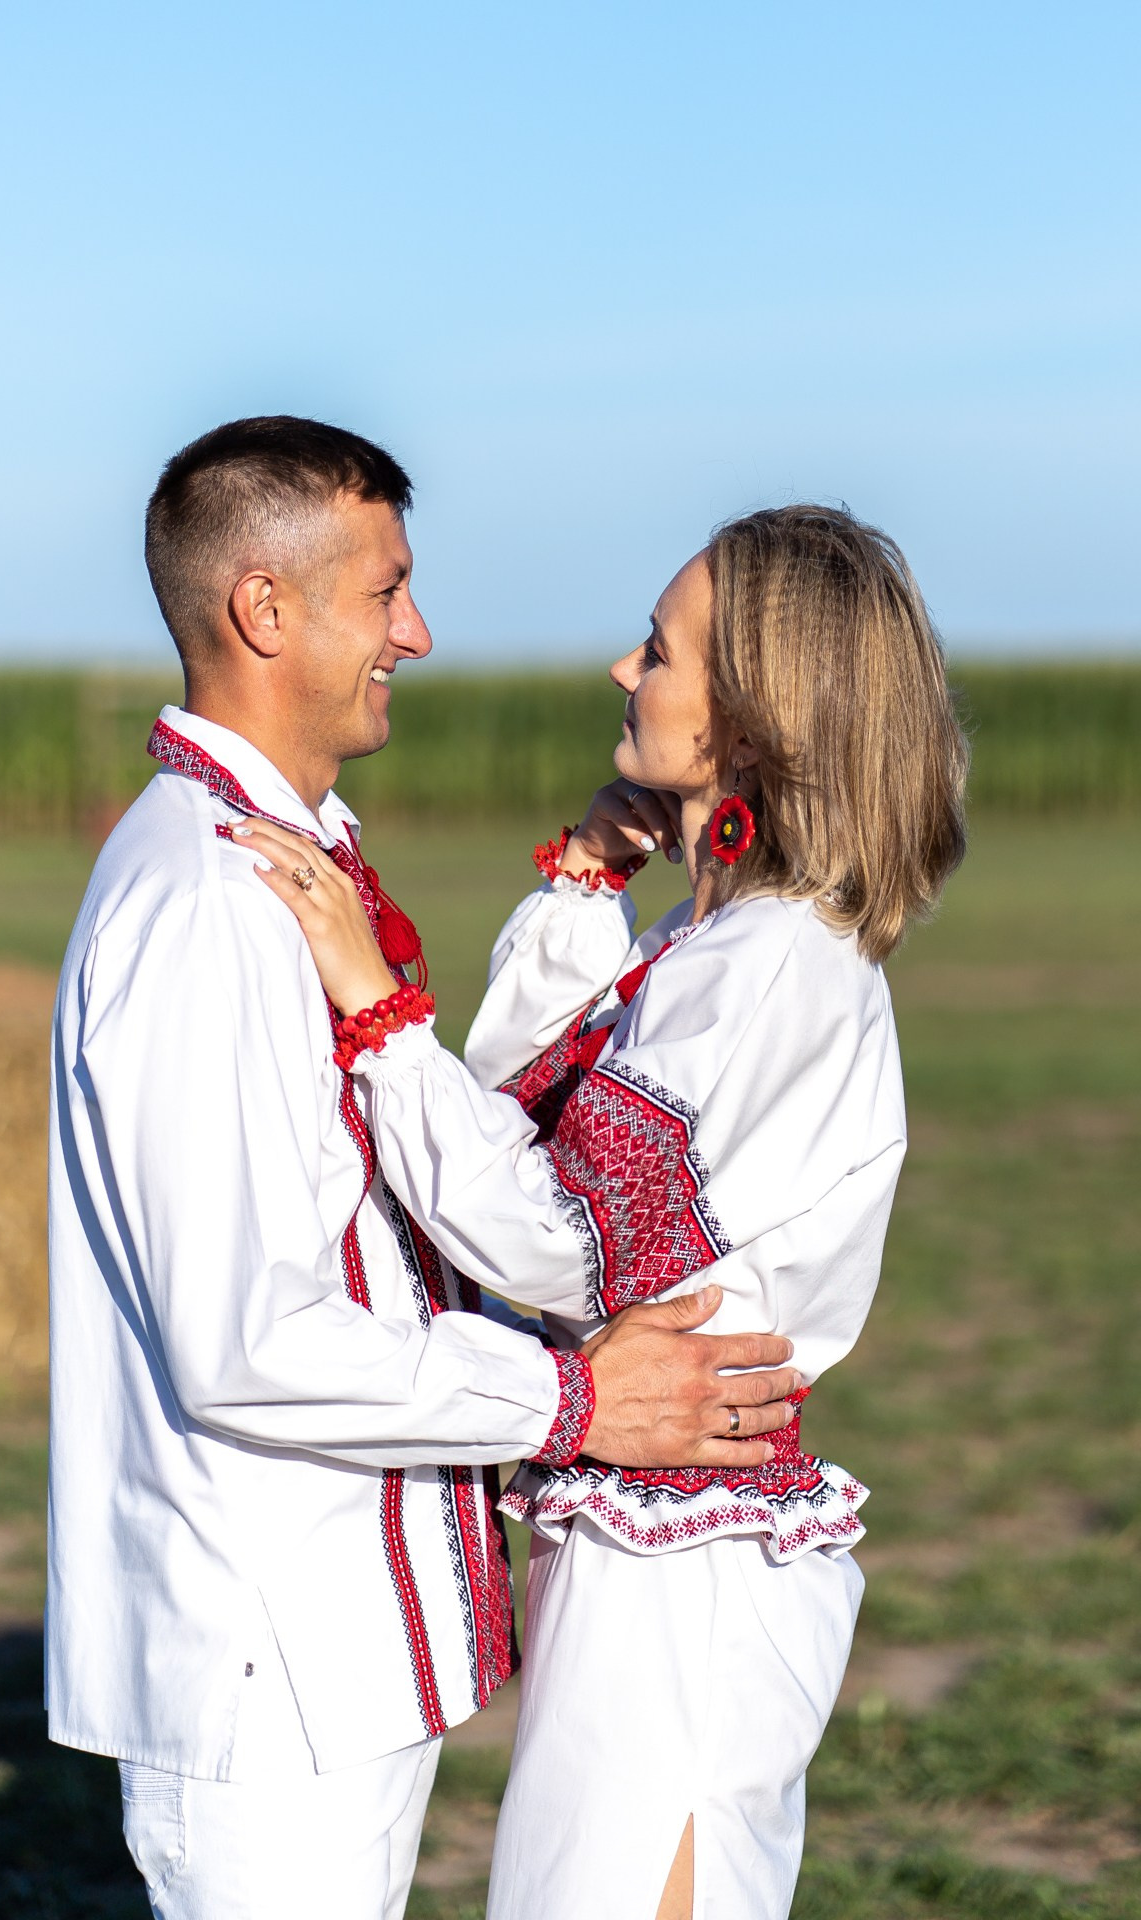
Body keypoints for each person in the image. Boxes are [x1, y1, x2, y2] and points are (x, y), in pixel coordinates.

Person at [45, 416, 804, 1920]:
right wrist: (580, 1401)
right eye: (387, 591)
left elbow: (381, 1219)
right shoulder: (212, 901)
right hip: (273, 1672)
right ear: (265, 610)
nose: (421, 632)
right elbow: (246, 1338)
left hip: (326, 1645)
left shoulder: (278, 863)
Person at [239, 503, 969, 1919]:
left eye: (660, 650)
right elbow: (516, 1101)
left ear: (754, 718)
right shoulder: (707, 945)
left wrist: (377, 1020)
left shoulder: (777, 971)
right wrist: (590, 875)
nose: (622, 675)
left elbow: (562, 1242)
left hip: (688, 1582)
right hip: (640, 1529)